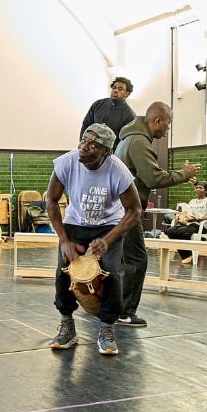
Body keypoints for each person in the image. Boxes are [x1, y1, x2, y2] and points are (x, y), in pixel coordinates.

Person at [46, 123, 141, 355]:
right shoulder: (66, 163)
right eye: (83, 141)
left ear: (105, 152)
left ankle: (107, 327)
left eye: (93, 145)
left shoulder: (117, 170)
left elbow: (135, 210)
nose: (84, 147)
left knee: (110, 273)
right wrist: (64, 240)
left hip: (108, 226)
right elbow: (51, 201)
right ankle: (67, 325)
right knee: (63, 272)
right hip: (75, 224)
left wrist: (108, 240)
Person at [113, 102, 199, 327]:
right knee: (136, 259)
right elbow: (154, 179)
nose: (168, 130)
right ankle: (123, 312)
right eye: (168, 124)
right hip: (126, 210)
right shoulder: (139, 142)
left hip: (119, 208)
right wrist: (183, 173)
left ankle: (112, 307)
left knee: (123, 260)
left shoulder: (128, 138)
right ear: (158, 120)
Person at [79, 77, 136, 151]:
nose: (115, 90)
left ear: (127, 94)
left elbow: (125, 141)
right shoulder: (98, 104)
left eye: (120, 89)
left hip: (110, 153)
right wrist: (83, 143)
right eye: (114, 87)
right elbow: (86, 125)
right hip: (89, 149)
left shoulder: (130, 116)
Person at [162, 180, 207, 264]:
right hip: (188, 224)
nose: (198, 189)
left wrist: (197, 219)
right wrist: (180, 218)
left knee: (181, 231)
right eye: (196, 188)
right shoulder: (192, 201)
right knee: (170, 231)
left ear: (206, 191)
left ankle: (189, 254)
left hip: (200, 226)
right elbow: (187, 213)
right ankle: (187, 255)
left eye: (201, 188)